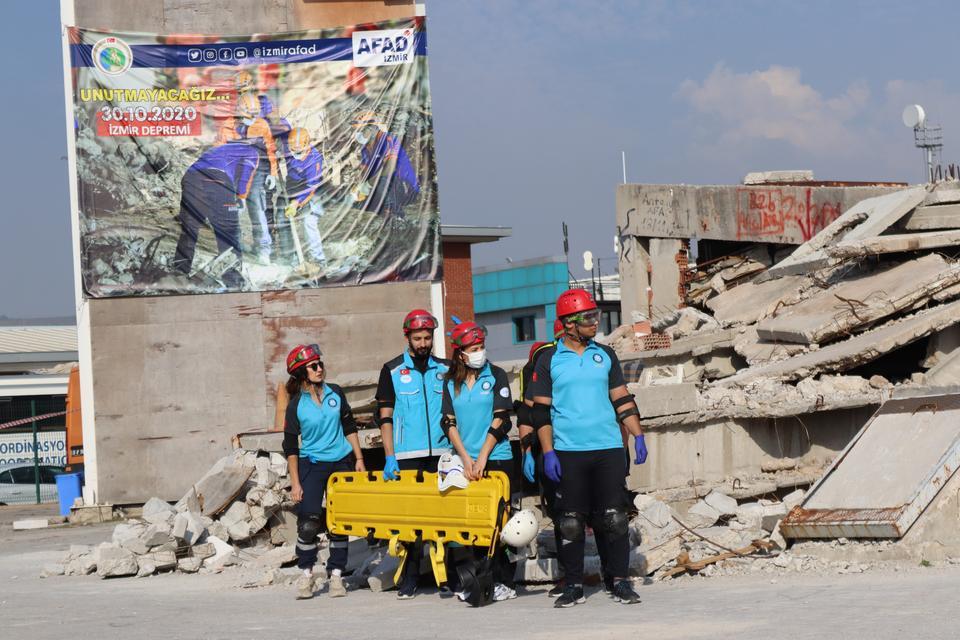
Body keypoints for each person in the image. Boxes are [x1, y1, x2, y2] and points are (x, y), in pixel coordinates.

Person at [529, 289, 648, 608]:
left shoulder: (605, 355)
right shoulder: (548, 358)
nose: (595, 322)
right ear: (568, 324)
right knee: (570, 520)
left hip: (607, 447)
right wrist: (548, 451)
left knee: (615, 517)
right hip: (568, 451)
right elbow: (539, 412)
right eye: (588, 317)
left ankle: (619, 580)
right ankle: (573, 584)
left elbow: (622, 397)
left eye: (595, 315)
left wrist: (637, 434)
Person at [375, 309, 451, 599]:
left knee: (443, 519)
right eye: (417, 338)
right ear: (407, 337)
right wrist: (389, 455)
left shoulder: (444, 368)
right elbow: (385, 416)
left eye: (427, 337)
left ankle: (446, 578)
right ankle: (410, 578)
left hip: (442, 453)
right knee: (410, 522)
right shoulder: (392, 370)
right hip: (407, 455)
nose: (423, 343)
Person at [440, 320, 518, 602]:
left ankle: (502, 580)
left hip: (495, 457)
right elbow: (448, 422)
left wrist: (482, 456)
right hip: (465, 461)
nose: (479, 352)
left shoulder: (495, 375)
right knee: (470, 523)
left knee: (498, 524)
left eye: (481, 347)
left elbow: (502, 418)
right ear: (461, 353)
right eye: (473, 348)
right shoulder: (451, 382)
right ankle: (475, 579)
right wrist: (466, 458)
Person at [282, 344, 366, 600]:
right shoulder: (296, 405)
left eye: (320, 364)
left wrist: (359, 458)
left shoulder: (336, 393)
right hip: (312, 464)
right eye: (313, 366)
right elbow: (290, 446)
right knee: (308, 524)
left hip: (341, 462)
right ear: (301, 373)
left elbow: (350, 426)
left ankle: (337, 575)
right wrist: (295, 482)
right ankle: (306, 574)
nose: (320, 369)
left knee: (339, 522)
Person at [172, 139, 260, 288]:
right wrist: (241, 197)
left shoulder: (222, 148)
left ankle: (178, 274)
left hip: (190, 178)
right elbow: (246, 174)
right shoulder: (252, 152)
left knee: (189, 229)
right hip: (217, 180)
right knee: (229, 231)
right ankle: (233, 279)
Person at [234, 92, 279, 263]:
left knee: (257, 209)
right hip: (235, 172)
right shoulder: (229, 126)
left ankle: (263, 249)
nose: (252, 118)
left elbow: (271, 150)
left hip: (257, 172)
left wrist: (273, 173)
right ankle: (233, 247)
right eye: (249, 115)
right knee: (233, 210)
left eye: (255, 115)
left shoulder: (262, 125)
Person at [350, 111, 420, 220]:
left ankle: (396, 215)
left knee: (381, 180)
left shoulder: (388, 140)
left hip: (405, 188)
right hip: (386, 186)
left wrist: (367, 185)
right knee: (358, 203)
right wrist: (359, 186)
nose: (358, 134)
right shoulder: (365, 147)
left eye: (360, 130)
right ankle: (382, 206)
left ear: (371, 128)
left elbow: (389, 169)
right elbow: (366, 172)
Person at [280, 128, 326, 267]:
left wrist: (297, 202)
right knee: (282, 219)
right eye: (292, 150)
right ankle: (289, 258)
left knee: (309, 221)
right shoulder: (290, 148)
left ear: (307, 145)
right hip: (292, 185)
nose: (295, 154)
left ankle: (319, 260)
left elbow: (311, 188)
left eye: (298, 151)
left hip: (311, 188)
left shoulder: (314, 160)